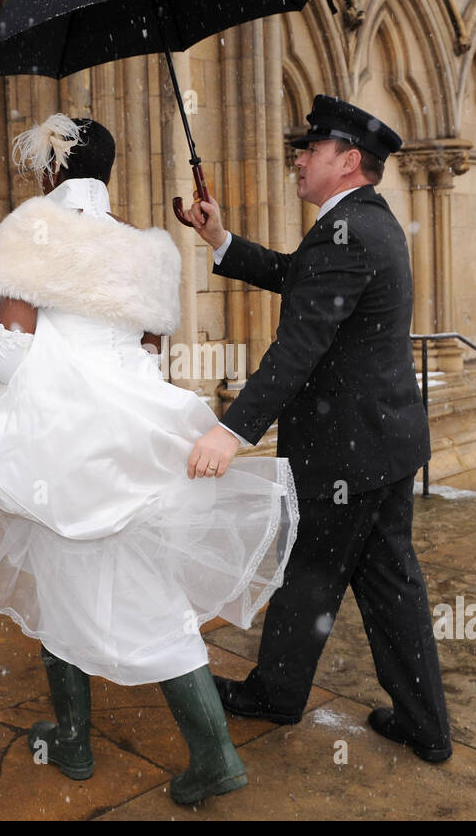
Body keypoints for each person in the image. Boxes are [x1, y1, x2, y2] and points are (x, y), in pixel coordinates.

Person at [0, 115, 298, 803]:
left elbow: (12, 352)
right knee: (128, 584)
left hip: (57, 441)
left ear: (52, 170)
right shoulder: (150, 250)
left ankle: (145, 748)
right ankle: (122, 741)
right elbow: (147, 353)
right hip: (135, 436)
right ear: (106, 171)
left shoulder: (30, 231)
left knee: (78, 580)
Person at [186, 94, 452, 762]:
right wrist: (221, 240)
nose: (298, 159)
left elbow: (298, 347)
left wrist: (233, 432)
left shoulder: (348, 231)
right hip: (382, 442)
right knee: (388, 579)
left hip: (348, 454)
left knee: (311, 569)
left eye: (311, 149)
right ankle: (425, 724)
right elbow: (298, 278)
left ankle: (277, 695)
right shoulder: (362, 224)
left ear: (349, 160)